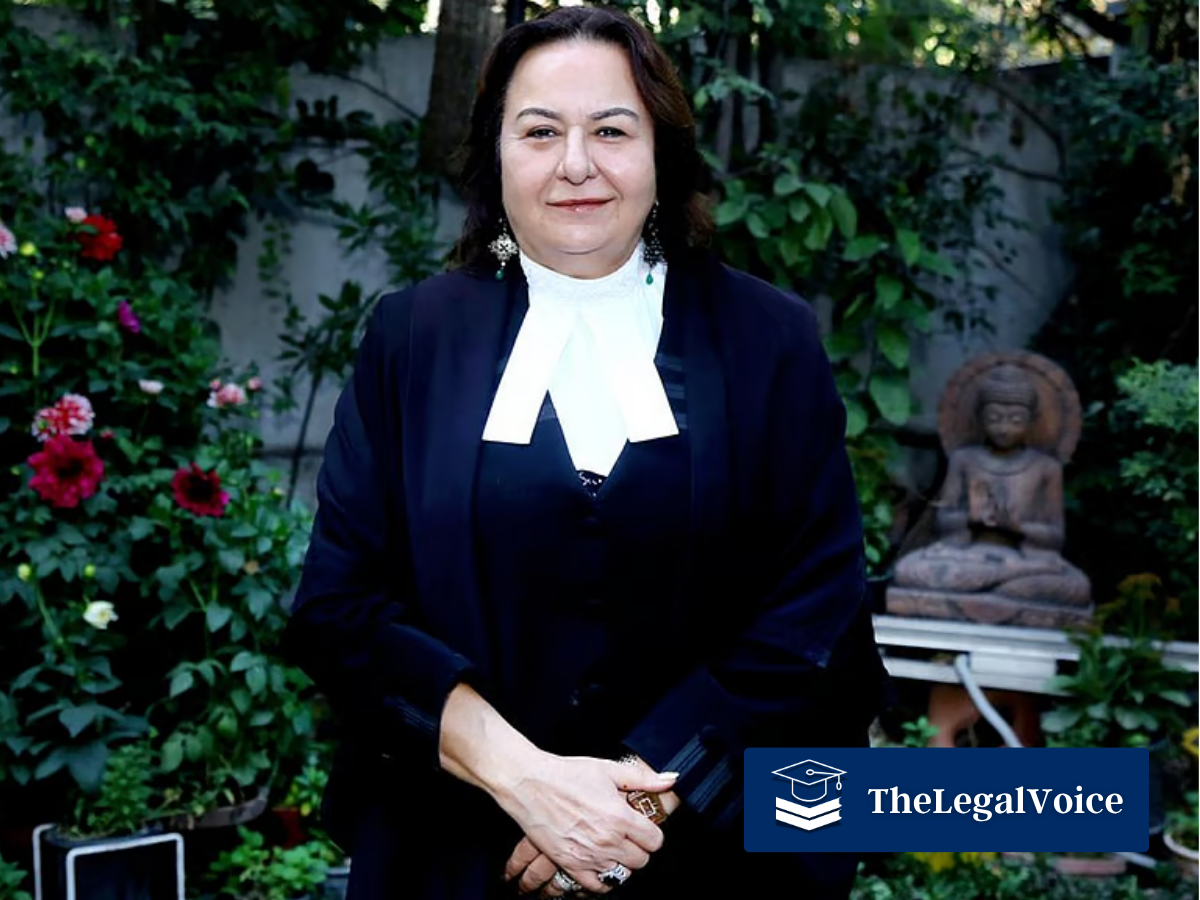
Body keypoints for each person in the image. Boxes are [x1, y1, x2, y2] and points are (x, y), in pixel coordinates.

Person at [284, 6, 889, 899]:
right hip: (462, 851)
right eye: (540, 132)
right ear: (495, 153)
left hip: (707, 856)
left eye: (611, 130)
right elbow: (340, 609)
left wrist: (636, 799)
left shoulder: (771, 340)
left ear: (662, 151)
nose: (576, 163)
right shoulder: (412, 339)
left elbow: (815, 609)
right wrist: (528, 783)